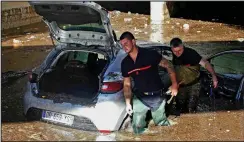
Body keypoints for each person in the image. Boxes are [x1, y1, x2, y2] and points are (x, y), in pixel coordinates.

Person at [120, 31, 178, 134]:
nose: (124, 47)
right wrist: (128, 103)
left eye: (126, 43)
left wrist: (174, 85)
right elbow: (127, 84)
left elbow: (169, 65)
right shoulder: (125, 63)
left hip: (157, 95)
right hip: (140, 97)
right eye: (122, 45)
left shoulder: (150, 54)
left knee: (161, 124)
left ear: (133, 41)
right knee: (137, 128)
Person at [170, 37, 218, 114]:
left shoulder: (191, 53)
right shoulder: (172, 54)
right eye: (175, 51)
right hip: (181, 84)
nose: (177, 53)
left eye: (180, 50)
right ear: (171, 49)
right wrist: (174, 84)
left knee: (191, 107)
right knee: (180, 105)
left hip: (194, 83)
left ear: (183, 46)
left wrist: (214, 76)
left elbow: (205, 63)